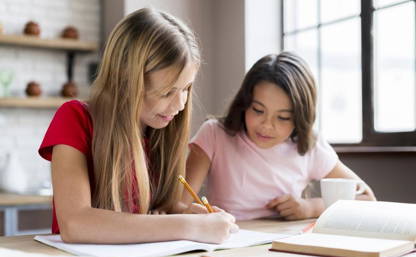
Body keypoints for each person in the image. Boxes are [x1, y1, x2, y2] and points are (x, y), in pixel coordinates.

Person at [38, 8, 237, 244]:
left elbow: (164, 205)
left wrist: (187, 213)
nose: (181, 104)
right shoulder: (75, 118)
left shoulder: (160, 130)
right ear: (124, 82)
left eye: (186, 89)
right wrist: (188, 225)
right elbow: (75, 224)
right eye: (166, 92)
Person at [183, 52, 376, 221]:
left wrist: (310, 208)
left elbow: (366, 199)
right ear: (245, 103)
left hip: (284, 243)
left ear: (300, 118)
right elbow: (178, 204)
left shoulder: (308, 145)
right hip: (231, 240)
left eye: (283, 117)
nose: (267, 126)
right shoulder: (215, 134)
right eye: (258, 110)